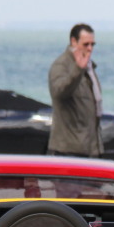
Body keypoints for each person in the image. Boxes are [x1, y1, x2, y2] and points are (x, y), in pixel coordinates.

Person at [47, 23, 103, 157]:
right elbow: (59, 92)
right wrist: (77, 70)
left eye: (92, 44)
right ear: (73, 41)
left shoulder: (88, 67)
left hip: (89, 147)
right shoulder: (62, 65)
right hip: (69, 149)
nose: (90, 49)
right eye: (86, 44)